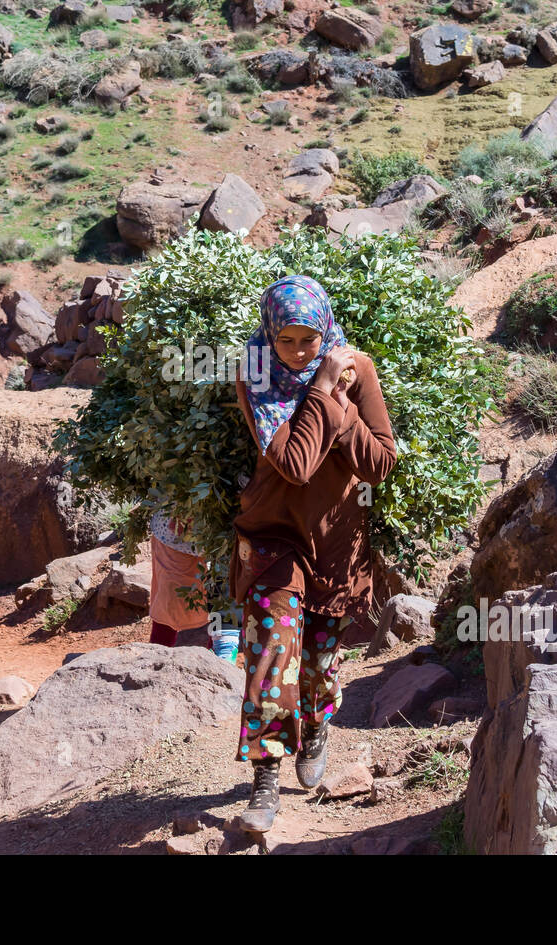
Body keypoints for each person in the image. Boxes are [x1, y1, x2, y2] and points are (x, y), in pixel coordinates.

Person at [229, 275, 397, 831]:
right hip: (274, 533)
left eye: (309, 339)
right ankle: (265, 779)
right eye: (287, 341)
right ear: (269, 335)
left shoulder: (358, 368)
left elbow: (379, 463)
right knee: (272, 654)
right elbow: (295, 464)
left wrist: (341, 405)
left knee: (320, 662)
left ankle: (318, 724)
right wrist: (325, 390)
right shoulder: (255, 373)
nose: (299, 352)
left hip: (336, 538)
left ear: (325, 328)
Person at [147, 509, 213, 649]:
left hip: (224, 536)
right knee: (168, 605)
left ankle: (220, 662)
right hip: (174, 538)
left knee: (226, 602)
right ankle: (155, 661)